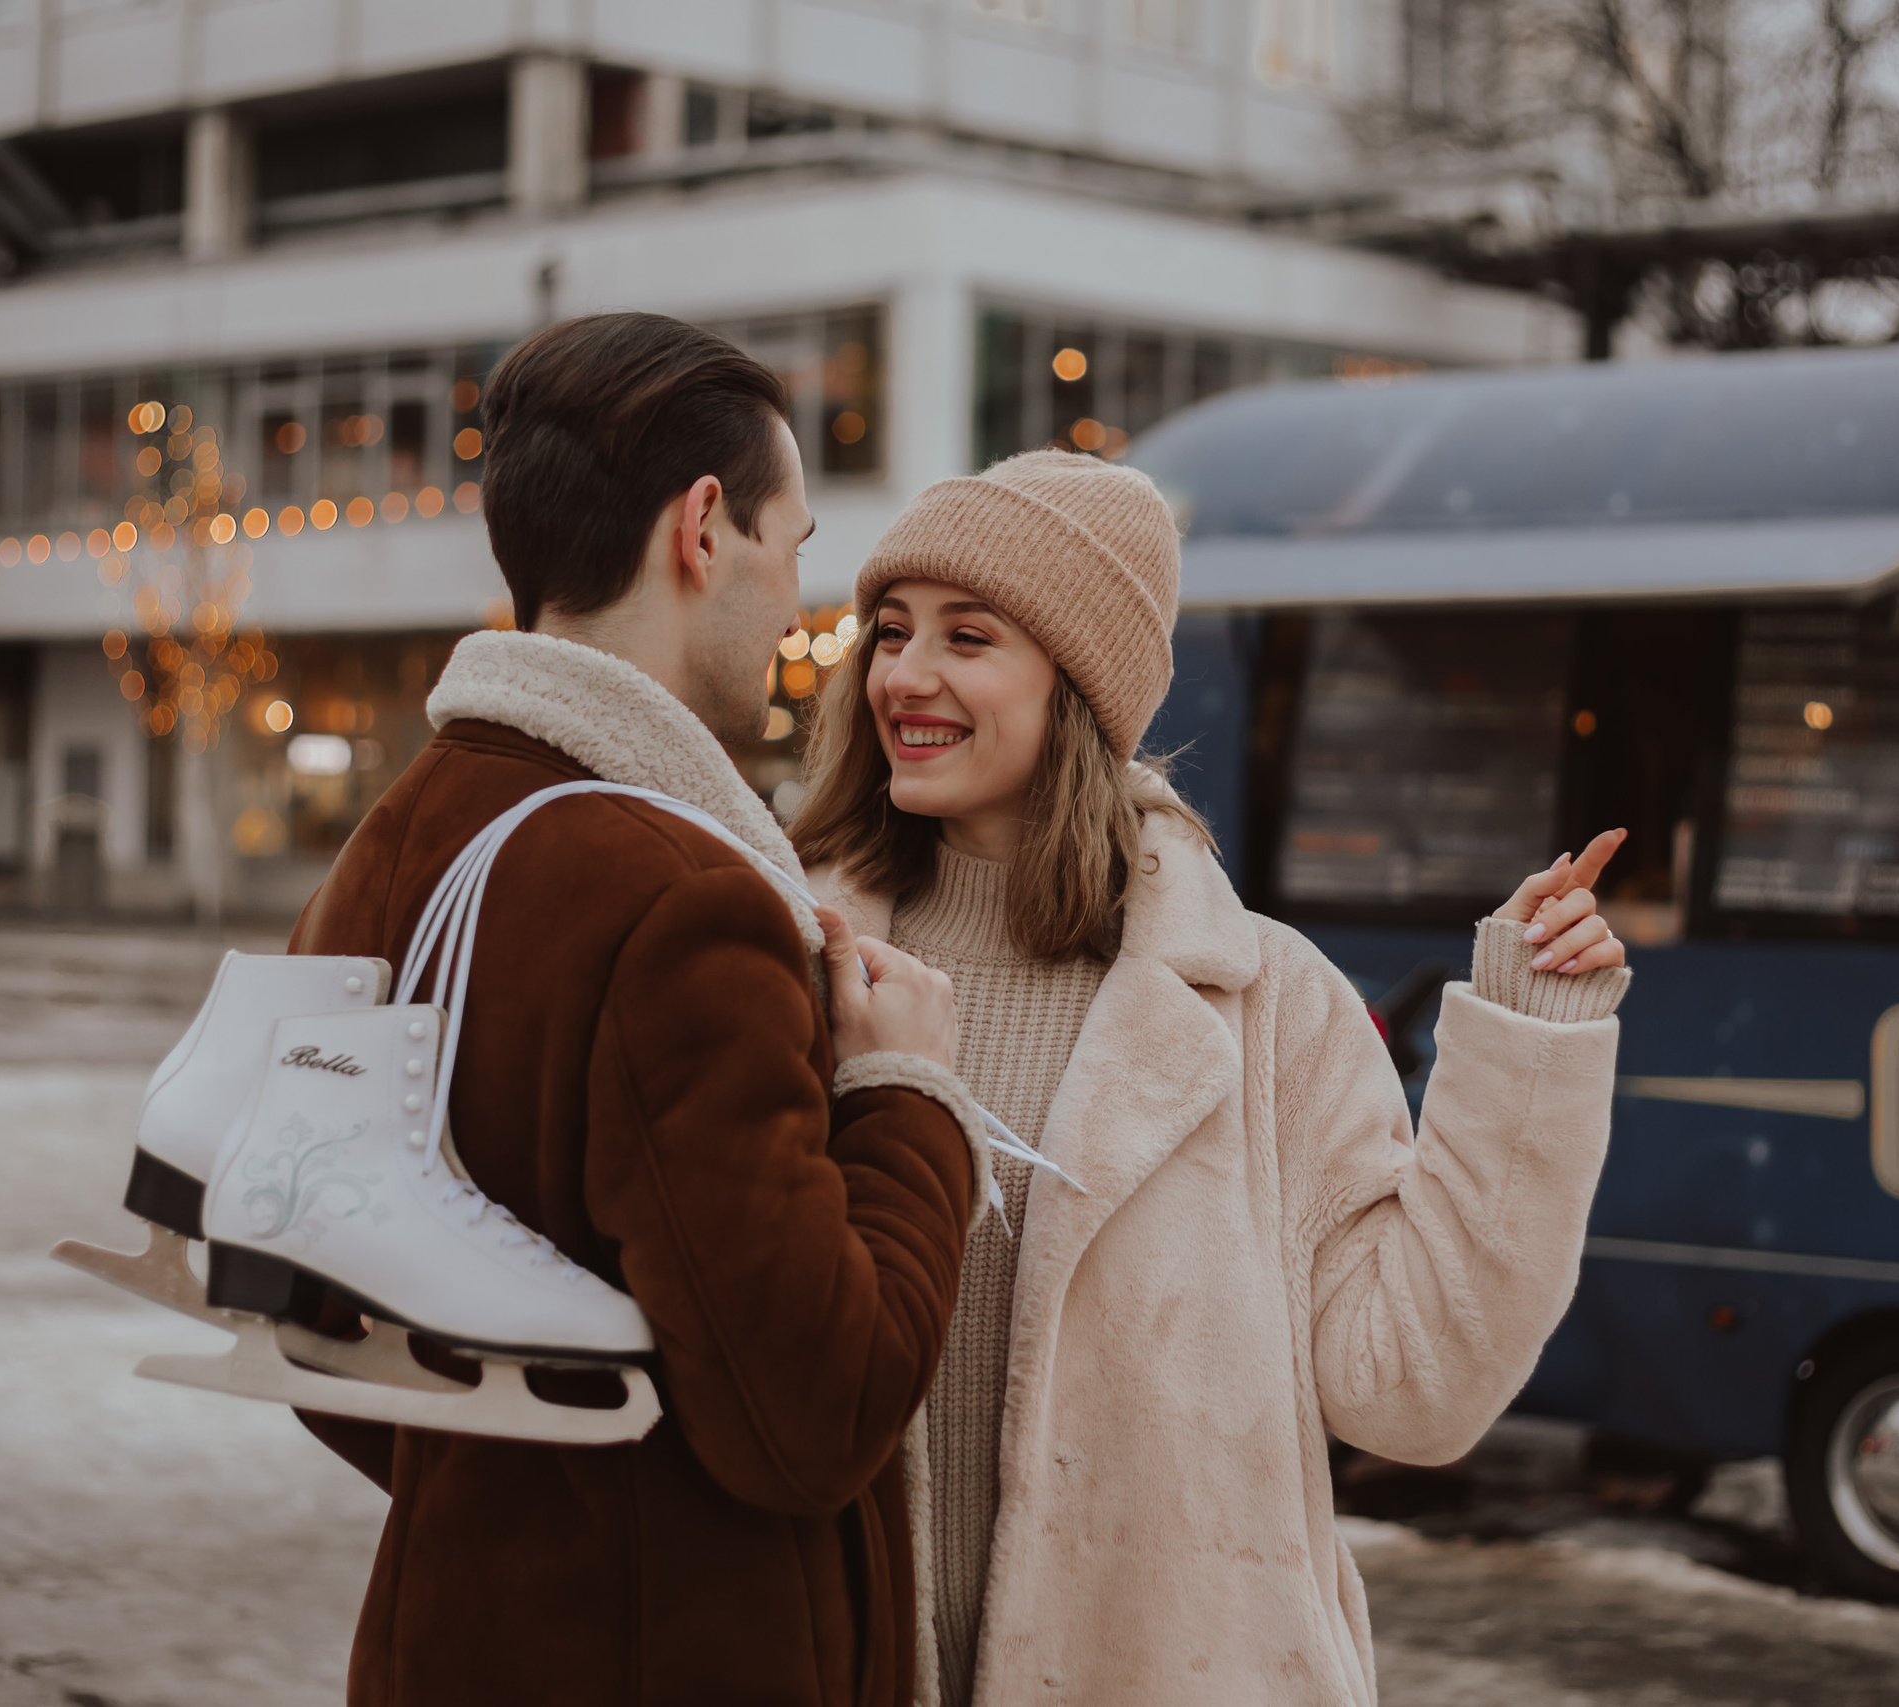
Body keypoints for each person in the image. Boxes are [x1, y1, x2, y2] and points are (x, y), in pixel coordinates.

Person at [791, 449, 1631, 1706]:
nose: (903, 675)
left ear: (1077, 686)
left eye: (969, 638)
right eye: (891, 632)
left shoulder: (1261, 1002)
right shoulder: (788, 956)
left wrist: (1525, 1041)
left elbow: (1412, 1388)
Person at [286, 313, 989, 1707]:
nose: (798, 606)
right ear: (704, 525)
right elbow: (815, 1413)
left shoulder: (396, 842)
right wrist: (907, 1099)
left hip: (449, 1638)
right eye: (793, 547)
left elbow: (328, 1329)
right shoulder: (687, 901)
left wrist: (520, 1487)